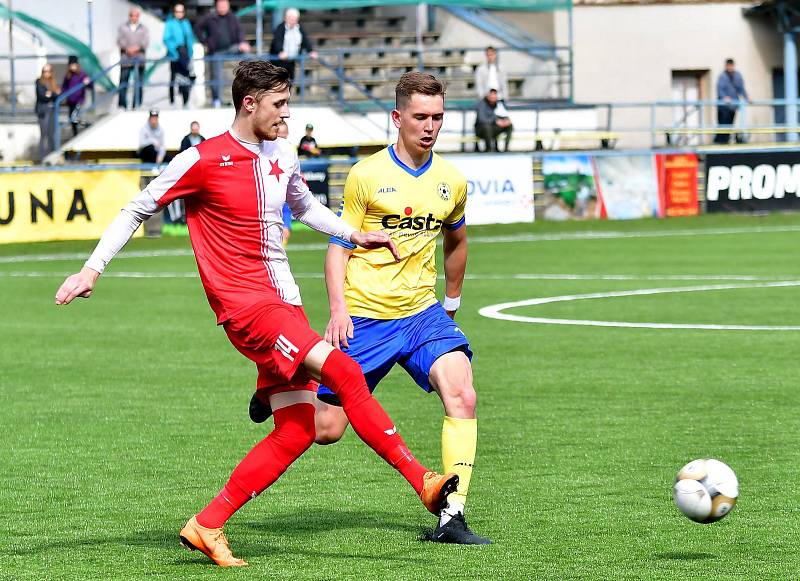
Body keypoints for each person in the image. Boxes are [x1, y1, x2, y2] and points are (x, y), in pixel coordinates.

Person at [54, 61, 457, 568]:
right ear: (250, 104)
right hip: (250, 309)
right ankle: (422, 480)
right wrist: (92, 269)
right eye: (279, 105)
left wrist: (354, 234)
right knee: (345, 370)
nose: (287, 115)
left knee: (299, 430)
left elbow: (306, 207)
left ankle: (207, 524)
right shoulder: (201, 159)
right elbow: (138, 207)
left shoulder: (280, 153)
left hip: (284, 301)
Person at [249, 71, 490, 545]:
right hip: (364, 318)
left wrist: (453, 301)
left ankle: (452, 515)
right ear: (397, 118)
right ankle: (276, 389)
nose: (430, 126)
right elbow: (339, 245)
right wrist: (338, 310)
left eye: (438, 117)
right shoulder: (367, 175)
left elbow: (456, 240)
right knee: (325, 428)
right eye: (420, 116)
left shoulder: (452, 180)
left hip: (422, 314)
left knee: (463, 393)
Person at [196, 0, 250, 107]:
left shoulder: (233, 17)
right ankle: (217, 100)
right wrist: (205, 43)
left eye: (225, 4)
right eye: (220, 4)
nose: (223, 7)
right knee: (216, 75)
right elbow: (197, 28)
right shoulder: (209, 17)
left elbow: (240, 31)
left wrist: (243, 42)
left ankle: (248, 93)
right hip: (216, 52)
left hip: (232, 48)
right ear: (216, 6)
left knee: (250, 58)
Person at [270, 7, 317, 81]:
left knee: (290, 81)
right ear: (285, 18)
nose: (293, 21)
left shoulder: (299, 28)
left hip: (291, 61)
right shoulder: (280, 28)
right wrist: (280, 51)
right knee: (279, 82)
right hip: (279, 62)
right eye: (291, 18)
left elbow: (305, 40)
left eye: (295, 19)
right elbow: (277, 41)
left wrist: (310, 51)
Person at [164, 2, 195, 107]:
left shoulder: (186, 23)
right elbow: (167, 39)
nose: (179, 13)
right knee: (173, 79)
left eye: (181, 11)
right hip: (175, 56)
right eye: (177, 11)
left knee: (186, 79)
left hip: (186, 56)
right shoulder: (170, 23)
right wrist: (175, 50)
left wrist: (190, 53)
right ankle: (172, 102)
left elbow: (190, 39)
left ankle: (185, 101)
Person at [117, 6, 149, 109]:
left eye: (136, 15)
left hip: (139, 60)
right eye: (132, 15)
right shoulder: (122, 27)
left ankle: (137, 105)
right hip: (126, 59)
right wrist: (128, 49)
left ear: (138, 16)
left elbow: (145, 42)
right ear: (129, 16)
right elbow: (119, 41)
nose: (134, 17)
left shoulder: (144, 29)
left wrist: (137, 48)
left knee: (138, 83)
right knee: (123, 83)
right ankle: (123, 105)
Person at [715, 58, 750, 145]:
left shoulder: (737, 75)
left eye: (731, 66)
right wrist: (724, 97)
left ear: (733, 66)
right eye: (728, 66)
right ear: (726, 66)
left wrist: (746, 97)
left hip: (733, 106)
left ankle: (726, 142)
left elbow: (741, 88)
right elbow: (719, 90)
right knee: (723, 125)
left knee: (730, 125)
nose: (729, 67)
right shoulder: (722, 76)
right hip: (723, 107)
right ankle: (720, 142)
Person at [61, 56, 91, 137]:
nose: (72, 67)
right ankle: (75, 134)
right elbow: (64, 87)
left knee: (75, 118)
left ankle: (87, 125)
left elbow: (90, 85)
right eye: (71, 65)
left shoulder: (82, 74)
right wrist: (65, 94)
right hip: (70, 101)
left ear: (77, 65)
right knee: (72, 120)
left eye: (74, 65)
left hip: (79, 101)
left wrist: (88, 82)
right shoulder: (68, 76)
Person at [35, 63, 60, 161]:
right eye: (45, 71)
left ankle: (52, 157)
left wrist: (51, 94)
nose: (47, 73)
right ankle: (42, 158)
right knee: (43, 135)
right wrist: (52, 94)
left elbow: (57, 95)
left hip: (52, 110)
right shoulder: (39, 82)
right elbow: (42, 96)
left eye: (49, 71)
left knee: (51, 134)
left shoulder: (53, 83)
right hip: (43, 111)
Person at [277, 121, 293, 245]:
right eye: (279, 135)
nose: (281, 139)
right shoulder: (263, 152)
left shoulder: (290, 154)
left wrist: (286, 225)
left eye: (284, 136)